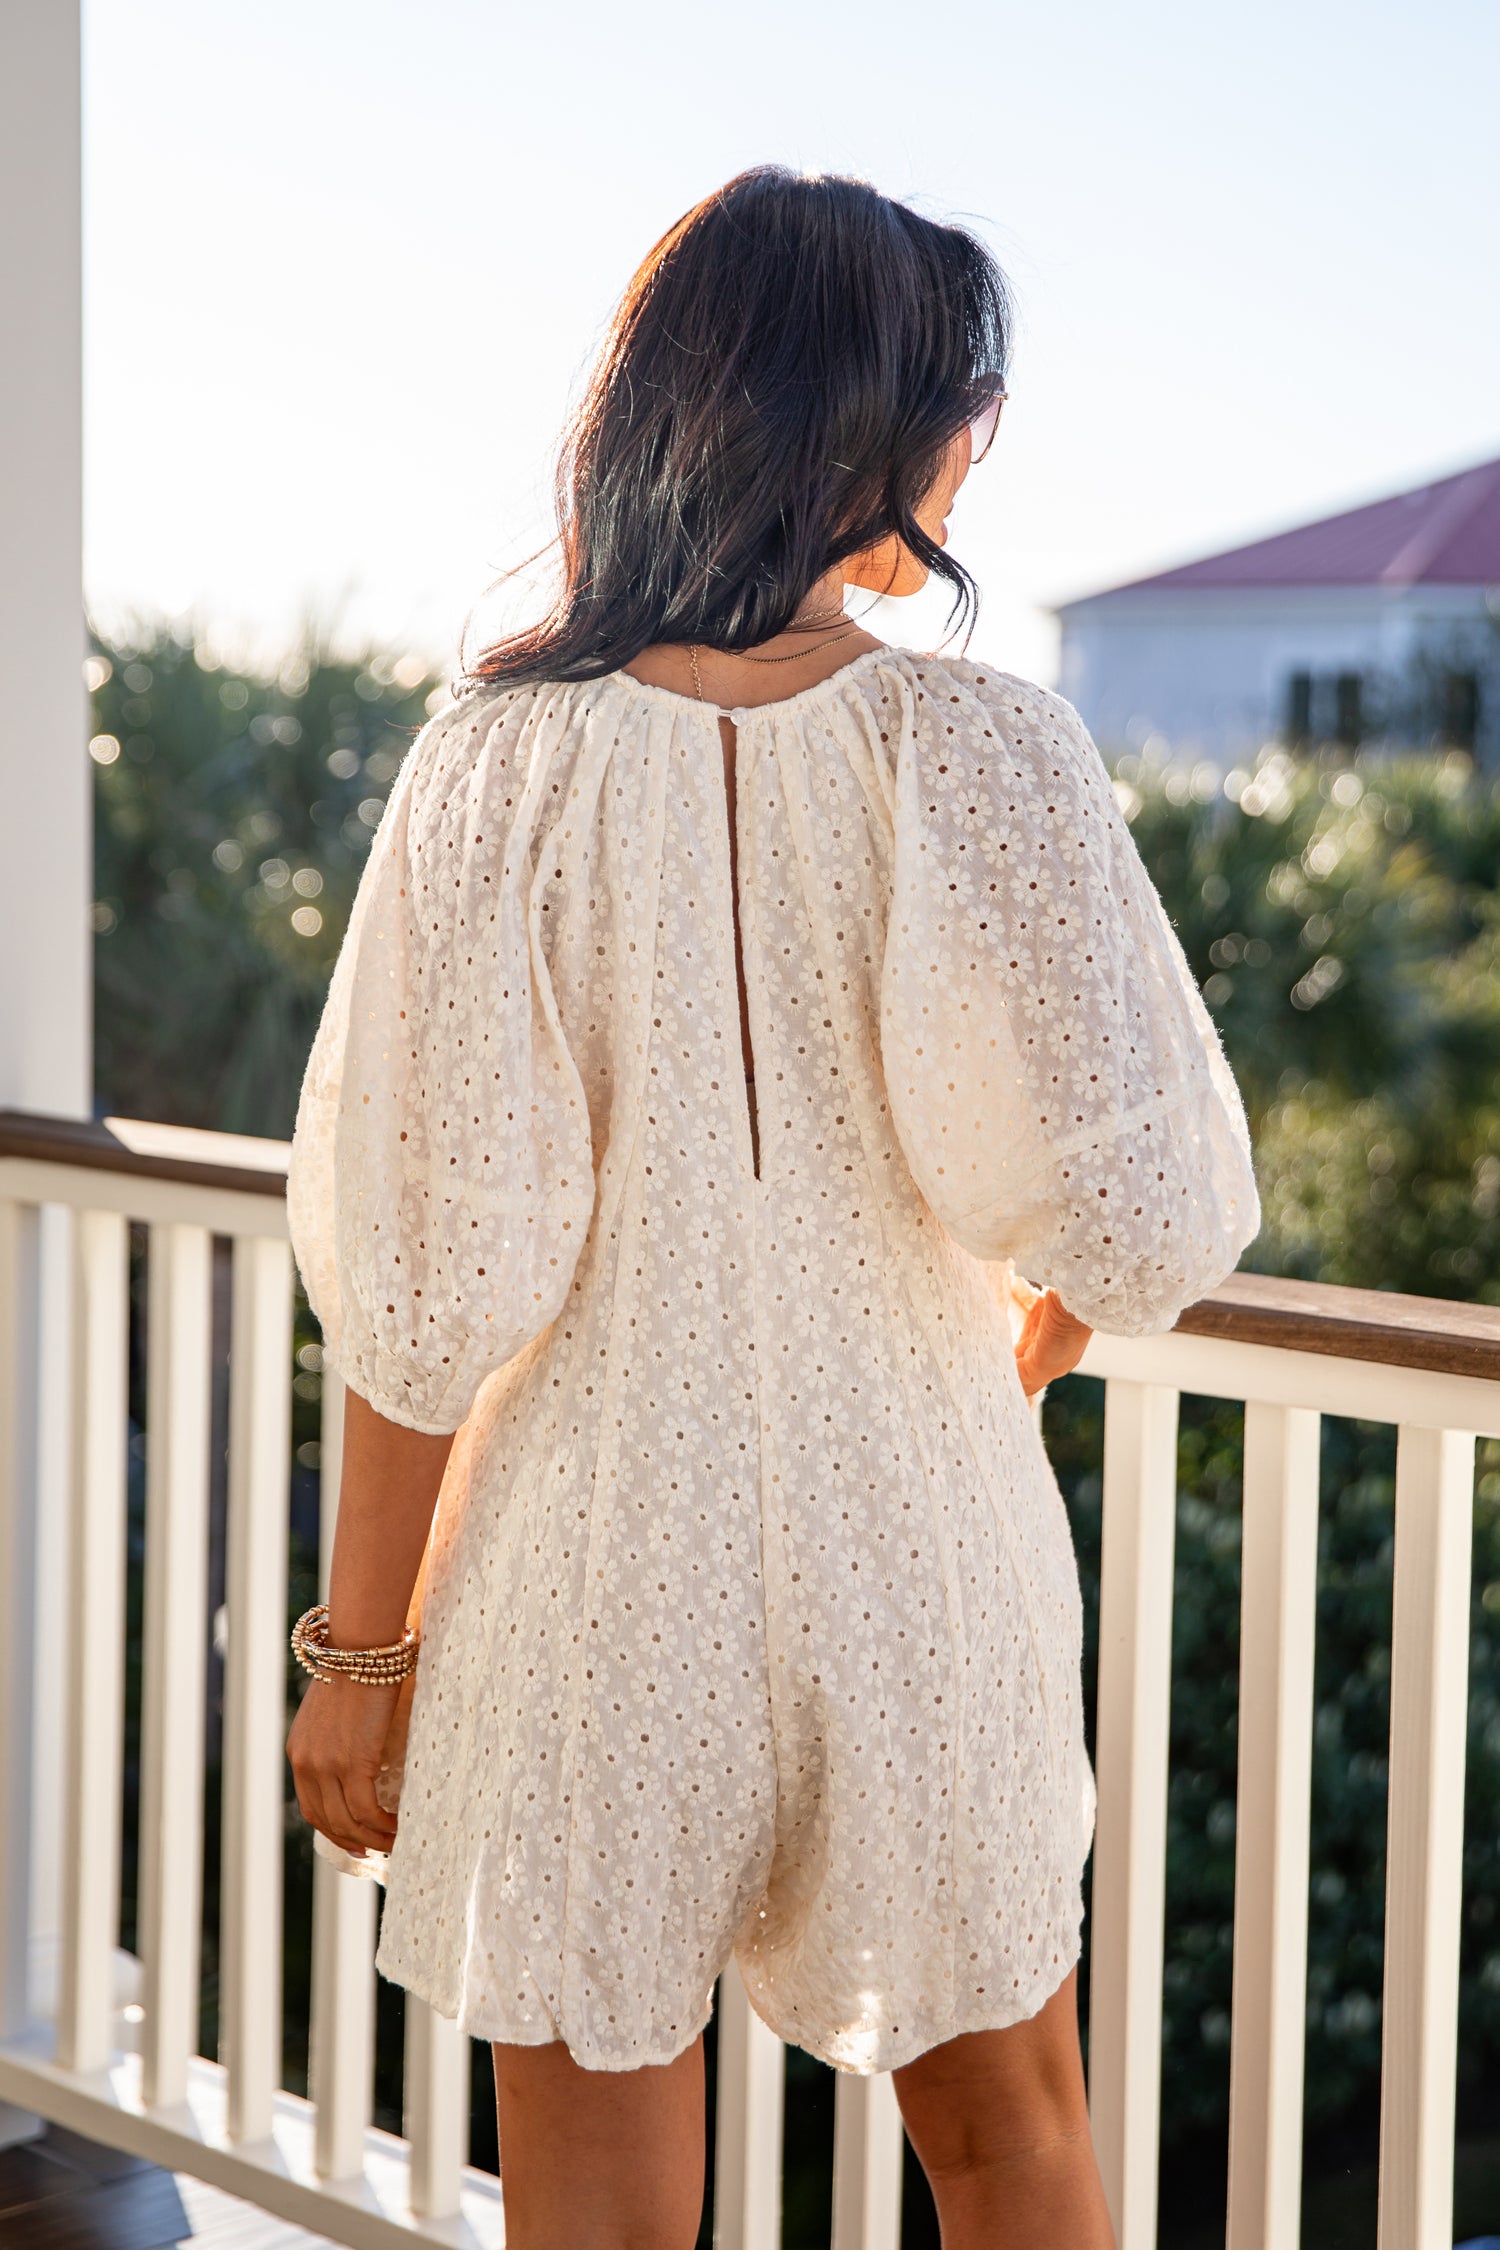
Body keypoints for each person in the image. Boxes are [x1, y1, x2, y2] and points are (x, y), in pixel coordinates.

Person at [285, 166, 1259, 2250]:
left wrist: (357, 1661)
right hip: (926, 1534)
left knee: (603, 2212)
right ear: (890, 439)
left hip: (581, 1557)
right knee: (1016, 2149)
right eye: (961, 409)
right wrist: (1008, 1353)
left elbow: (431, 1279)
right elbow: (1135, 1204)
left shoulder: (498, 761)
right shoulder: (991, 752)